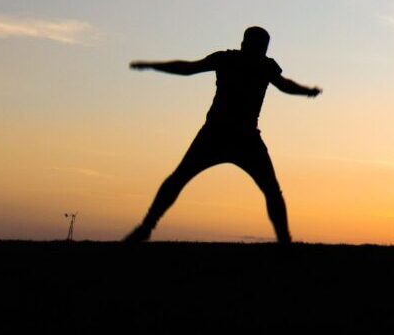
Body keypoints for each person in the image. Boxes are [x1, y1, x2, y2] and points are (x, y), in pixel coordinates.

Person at [123, 26, 321, 243]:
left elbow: (284, 85)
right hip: (220, 133)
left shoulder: (258, 65)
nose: (260, 50)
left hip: (238, 136)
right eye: (259, 45)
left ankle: (284, 240)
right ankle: (146, 227)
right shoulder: (237, 61)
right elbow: (189, 68)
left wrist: (306, 91)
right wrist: (153, 66)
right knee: (179, 179)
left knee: (270, 190)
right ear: (247, 44)